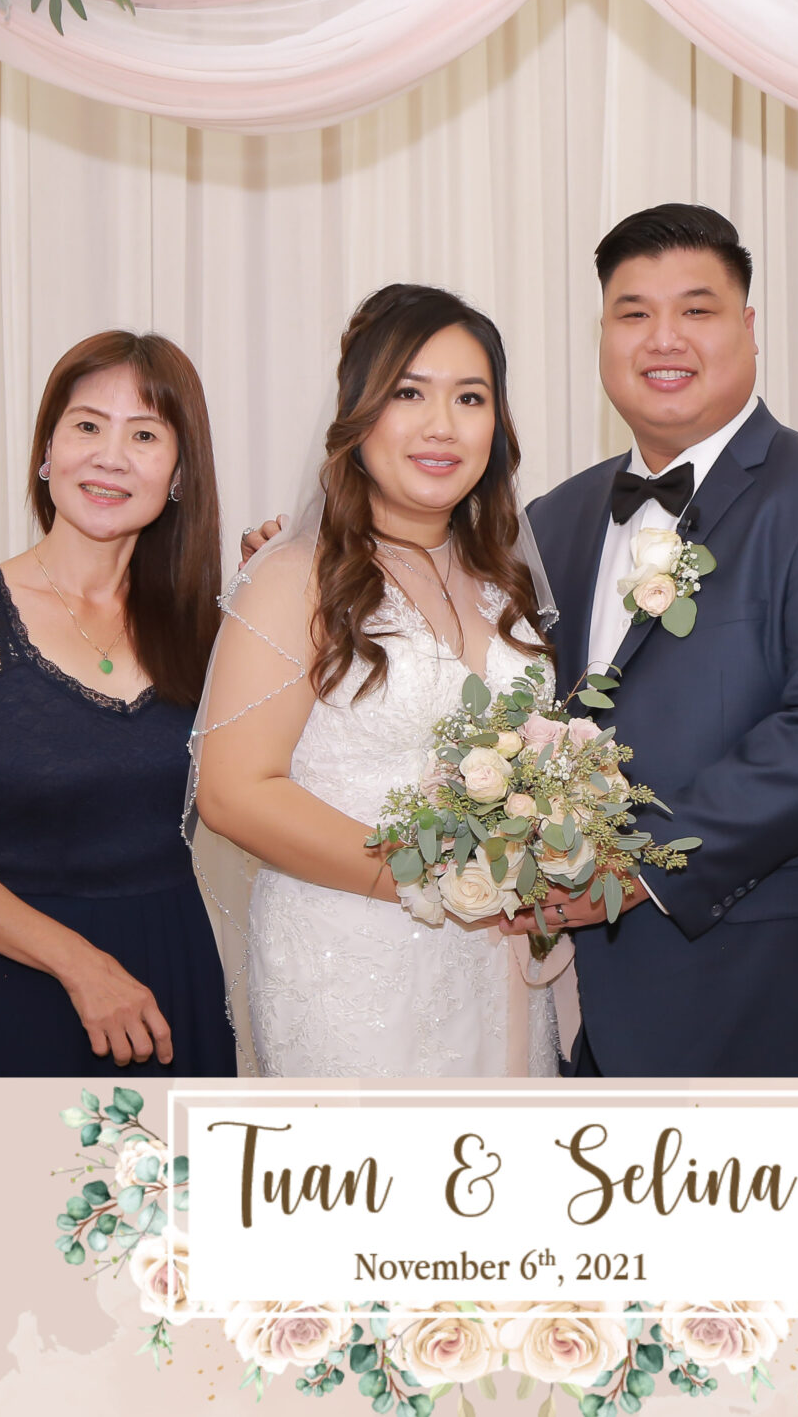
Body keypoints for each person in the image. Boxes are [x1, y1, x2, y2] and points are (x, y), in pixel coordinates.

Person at [503, 204, 798, 1076]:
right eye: (634, 312)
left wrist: (637, 864)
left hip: (796, 1008)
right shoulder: (551, 520)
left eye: (696, 309)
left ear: (748, 328)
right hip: (601, 1016)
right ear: (603, 336)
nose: (663, 337)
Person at [193, 285, 561, 1077]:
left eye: (470, 397)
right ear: (359, 415)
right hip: (350, 970)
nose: (442, 425)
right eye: (408, 393)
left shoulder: (506, 585)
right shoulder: (295, 577)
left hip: (496, 971)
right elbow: (231, 791)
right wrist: (432, 875)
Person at [0, 331, 234, 1076]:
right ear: (46, 452)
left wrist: (277, 593)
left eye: (144, 435)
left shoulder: (208, 630)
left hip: (176, 982)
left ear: (179, 473)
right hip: (25, 986)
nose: (111, 456)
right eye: (87, 426)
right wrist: (80, 966)